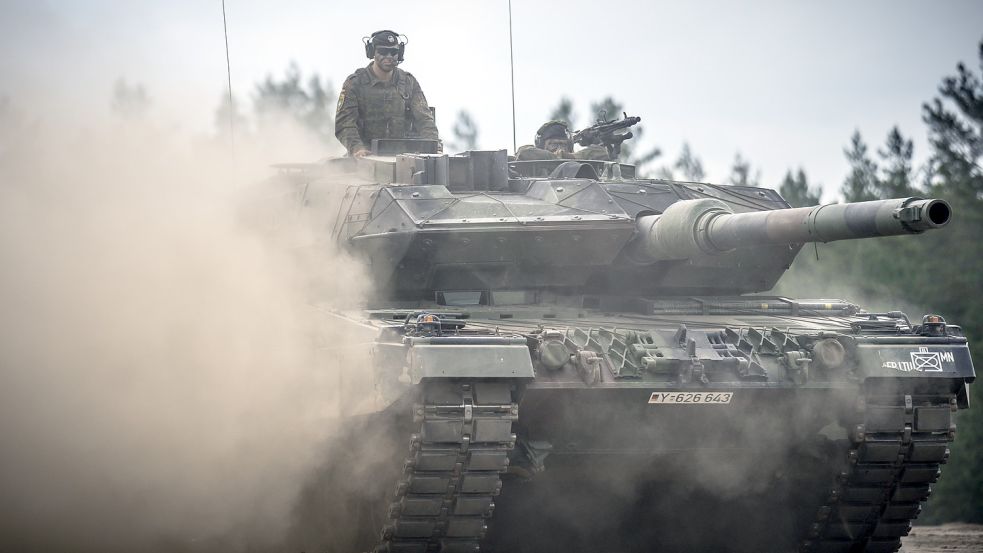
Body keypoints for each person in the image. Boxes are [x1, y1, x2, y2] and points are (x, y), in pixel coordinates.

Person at [334, 30, 439, 157]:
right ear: (372, 52)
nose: (389, 56)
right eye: (383, 52)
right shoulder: (356, 83)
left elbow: (425, 120)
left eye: (394, 52)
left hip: (402, 158)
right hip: (364, 157)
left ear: (399, 54)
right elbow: (345, 124)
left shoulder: (408, 82)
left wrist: (432, 147)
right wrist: (357, 148)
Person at [515, 120, 609, 161]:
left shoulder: (575, 159)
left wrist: (571, 157)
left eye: (563, 144)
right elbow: (523, 152)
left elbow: (602, 153)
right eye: (553, 144)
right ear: (541, 145)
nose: (559, 148)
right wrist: (559, 156)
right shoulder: (533, 156)